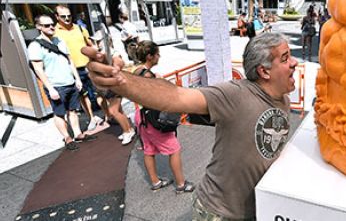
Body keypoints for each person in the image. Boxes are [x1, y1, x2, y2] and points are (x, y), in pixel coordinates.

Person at [82, 33, 298, 220]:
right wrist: (122, 82)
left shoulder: (283, 100)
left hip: (259, 209)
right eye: (285, 58)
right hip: (218, 213)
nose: (295, 63)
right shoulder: (236, 94)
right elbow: (177, 97)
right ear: (264, 71)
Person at [133, 41, 195, 193]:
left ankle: (155, 182)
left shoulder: (137, 71)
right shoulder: (148, 75)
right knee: (174, 149)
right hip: (153, 119)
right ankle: (181, 184)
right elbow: (159, 96)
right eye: (157, 54)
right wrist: (161, 82)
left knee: (149, 150)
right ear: (150, 56)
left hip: (141, 116)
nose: (159, 57)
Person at [28, 15, 96, 151]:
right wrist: (50, 88)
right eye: (46, 25)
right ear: (39, 27)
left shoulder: (59, 41)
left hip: (70, 82)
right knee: (59, 113)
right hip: (56, 86)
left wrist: (77, 79)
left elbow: (70, 61)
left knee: (73, 110)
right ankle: (67, 137)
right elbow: (38, 70)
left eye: (52, 24)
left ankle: (78, 134)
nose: (51, 27)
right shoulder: (35, 46)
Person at [54, 5, 102, 131]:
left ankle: (108, 116)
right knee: (83, 95)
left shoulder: (80, 28)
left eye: (69, 16)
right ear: (57, 17)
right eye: (63, 16)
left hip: (90, 65)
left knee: (100, 91)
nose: (67, 18)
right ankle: (92, 118)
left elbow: (90, 45)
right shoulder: (55, 33)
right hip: (73, 70)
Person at [91, 30, 136, 145]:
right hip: (108, 86)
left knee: (113, 111)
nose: (96, 43)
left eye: (98, 41)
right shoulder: (100, 52)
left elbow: (119, 63)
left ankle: (127, 131)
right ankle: (129, 129)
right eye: (95, 41)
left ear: (106, 40)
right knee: (119, 110)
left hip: (116, 85)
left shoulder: (112, 52)